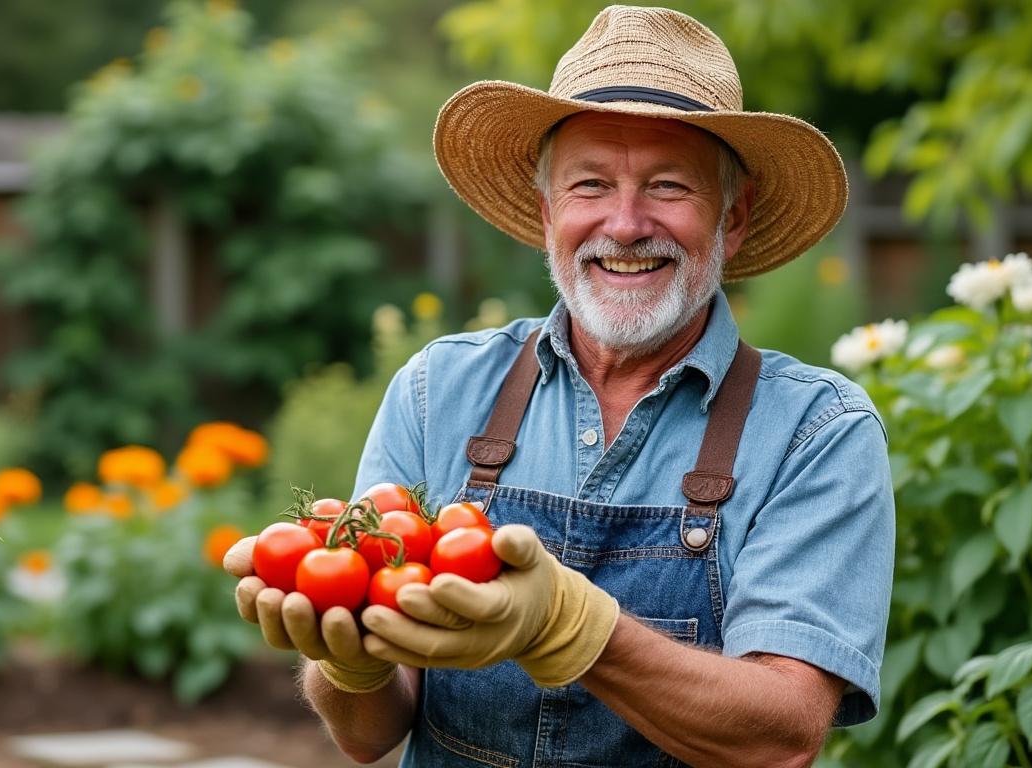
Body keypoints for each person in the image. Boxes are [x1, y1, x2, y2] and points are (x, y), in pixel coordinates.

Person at [225, 6, 894, 767]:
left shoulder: (816, 430)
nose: (626, 222)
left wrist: (574, 628)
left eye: (668, 186)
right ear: (548, 214)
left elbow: (780, 737)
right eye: (590, 185)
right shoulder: (437, 391)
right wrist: (350, 664)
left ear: (731, 220)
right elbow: (368, 734)